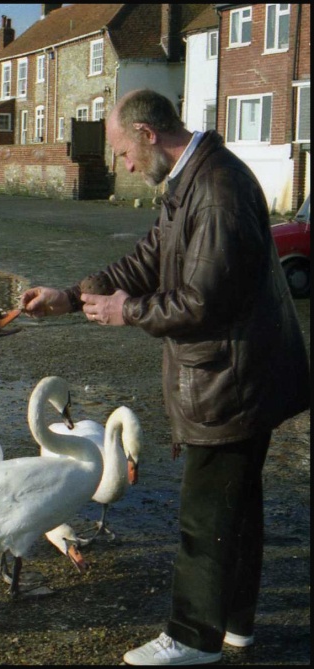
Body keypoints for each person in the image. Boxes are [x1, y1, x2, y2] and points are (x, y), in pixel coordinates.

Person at [20, 89, 310, 666]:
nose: (124, 166)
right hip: (241, 374)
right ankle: (236, 626)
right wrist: (73, 296)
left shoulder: (218, 190)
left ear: (149, 135)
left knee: (205, 514)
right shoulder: (190, 181)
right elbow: (148, 259)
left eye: (125, 153)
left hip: (232, 380)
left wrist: (126, 311)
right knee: (236, 507)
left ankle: (191, 637)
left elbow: (204, 300)